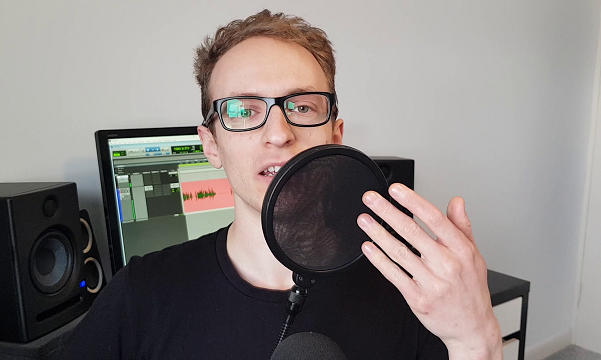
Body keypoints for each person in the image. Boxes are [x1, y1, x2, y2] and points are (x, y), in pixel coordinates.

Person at [63, 9, 502, 359]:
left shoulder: (413, 291)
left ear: (335, 135)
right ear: (211, 145)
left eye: (304, 106)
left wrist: (475, 343)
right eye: (243, 110)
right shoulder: (140, 295)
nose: (278, 133)